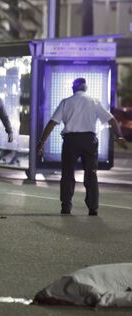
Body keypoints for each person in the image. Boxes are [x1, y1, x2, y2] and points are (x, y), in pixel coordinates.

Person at [37, 78, 128, 216]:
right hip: (89, 141)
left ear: (73, 88)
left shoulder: (66, 102)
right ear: (85, 88)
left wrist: (41, 142)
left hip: (70, 141)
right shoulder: (94, 101)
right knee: (91, 174)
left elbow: (52, 123)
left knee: (67, 174)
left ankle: (66, 206)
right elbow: (112, 120)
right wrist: (119, 136)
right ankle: (93, 208)